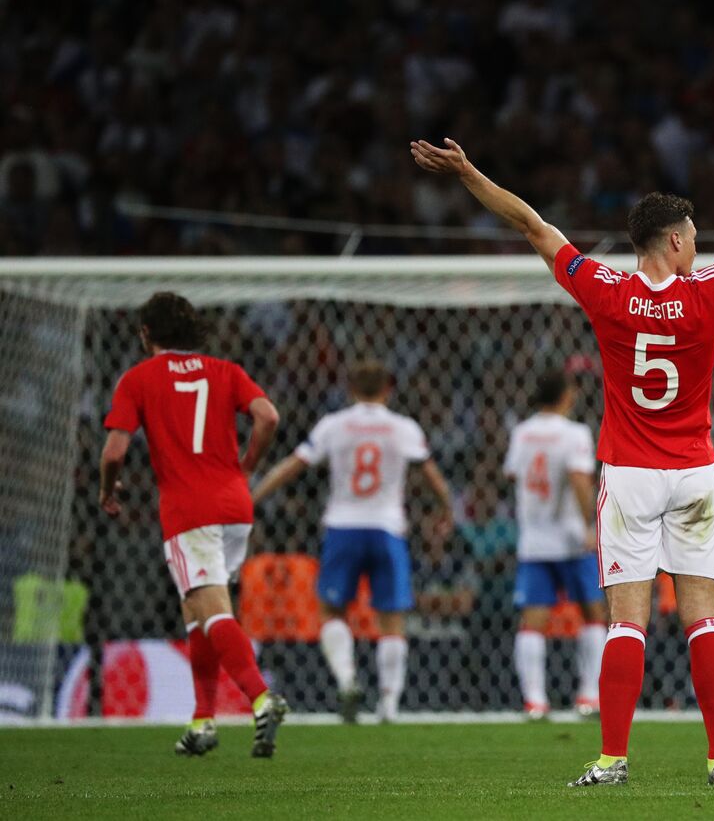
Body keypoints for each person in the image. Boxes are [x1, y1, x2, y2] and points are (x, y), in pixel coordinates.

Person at [411, 133, 714, 786]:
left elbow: (530, 224)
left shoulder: (605, 290)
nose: (700, 245)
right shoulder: (709, 291)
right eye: (695, 235)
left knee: (628, 622)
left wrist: (469, 171)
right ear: (673, 240)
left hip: (629, 473)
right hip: (696, 472)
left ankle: (613, 759)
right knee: (704, 615)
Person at [99, 291, 288, 757]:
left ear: (147, 335)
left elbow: (114, 452)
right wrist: (246, 465)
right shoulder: (226, 371)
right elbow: (268, 416)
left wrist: (108, 489)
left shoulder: (138, 378)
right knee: (198, 613)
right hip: (235, 506)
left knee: (213, 610)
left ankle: (261, 698)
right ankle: (203, 720)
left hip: (190, 511)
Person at [252, 360, 452, 723]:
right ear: (388, 389)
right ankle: (389, 705)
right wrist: (446, 508)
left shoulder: (334, 425)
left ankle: (347, 680)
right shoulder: (403, 428)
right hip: (387, 527)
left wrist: (255, 496)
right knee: (392, 619)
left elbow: (292, 465)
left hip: (343, 526)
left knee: (332, 611)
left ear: (351, 389)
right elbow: (432, 475)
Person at [503, 369, 606, 720]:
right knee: (593, 612)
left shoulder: (522, 433)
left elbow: (515, 474)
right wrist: (591, 524)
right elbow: (578, 479)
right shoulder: (574, 433)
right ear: (566, 395)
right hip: (572, 538)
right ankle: (589, 697)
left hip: (534, 538)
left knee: (533, 619)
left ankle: (535, 701)